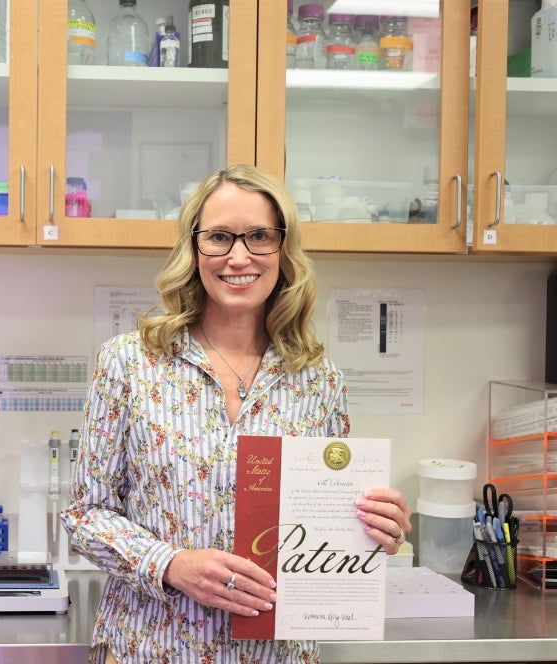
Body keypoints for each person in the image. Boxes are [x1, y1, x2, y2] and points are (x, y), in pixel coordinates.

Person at [61, 164, 412, 664]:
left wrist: (381, 529)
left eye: (259, 236)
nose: (239, 257)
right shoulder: (129, 362)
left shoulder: (319, 381)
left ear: (283, 249)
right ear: (194, 248)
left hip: (277, 654)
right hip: (151, 648)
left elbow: (331, 526)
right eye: (220, 237)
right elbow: (83, 515)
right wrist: (171, 563)